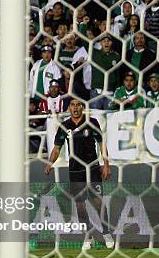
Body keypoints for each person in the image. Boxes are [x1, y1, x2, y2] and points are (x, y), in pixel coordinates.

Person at [45, 98, 114, 250]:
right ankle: (87, 236)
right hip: (75, 171)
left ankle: (106, 233)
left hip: (93, 168)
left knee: (97, 202)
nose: (75, 108)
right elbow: (57, 148)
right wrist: (50, 164)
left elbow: (102, 145)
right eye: (72, 105)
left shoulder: (92, 122)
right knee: (80, 205)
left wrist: (106, 165)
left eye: (78, 105)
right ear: (69, 108)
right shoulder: (65, 126)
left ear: (82, 107)